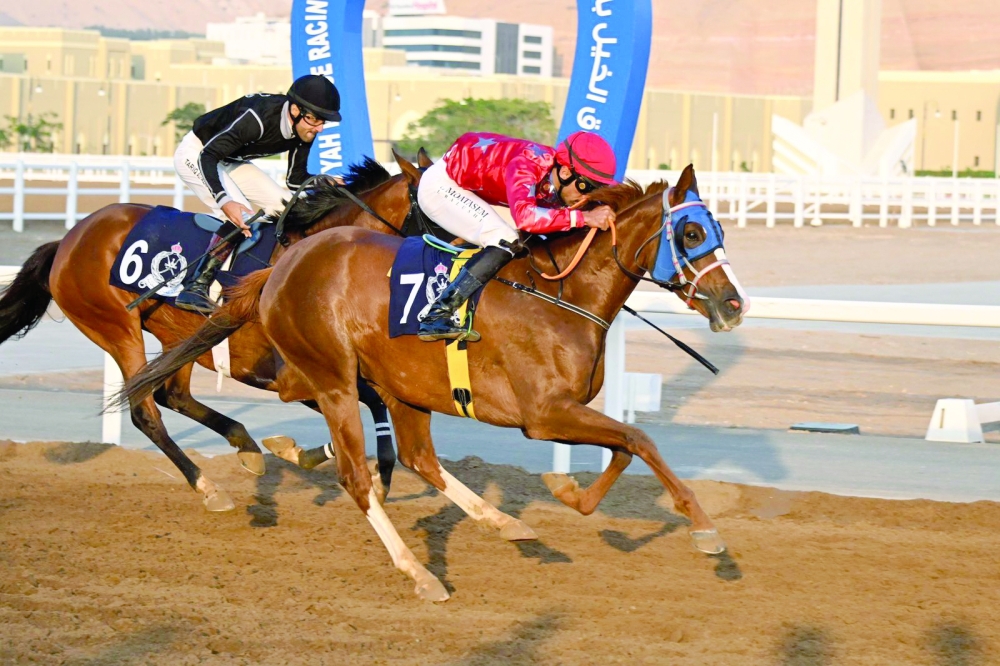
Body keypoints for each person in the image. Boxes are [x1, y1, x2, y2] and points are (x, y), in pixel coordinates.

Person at [416, 130, 618, 342]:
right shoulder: (527, 166)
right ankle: (437, 314)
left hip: (476, 188)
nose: (587, 197)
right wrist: (583, 218)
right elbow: (527, 218)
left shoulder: (558, 176)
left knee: (530, 238)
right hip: (442, 186)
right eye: (587, 187)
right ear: (566, 173)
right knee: (506, 239)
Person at [171, 74, 341, 313]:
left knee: (286, 208)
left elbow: (295, 180)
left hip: (229, 160)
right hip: (198, 154)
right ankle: (196, 286)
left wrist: (325, 181)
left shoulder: (304, 129)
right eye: (315, 120)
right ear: (295, 110)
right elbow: (207, 157)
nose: (320, 128)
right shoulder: (258, 119)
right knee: (239, 212)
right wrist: (225, 201)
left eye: (323, 121)